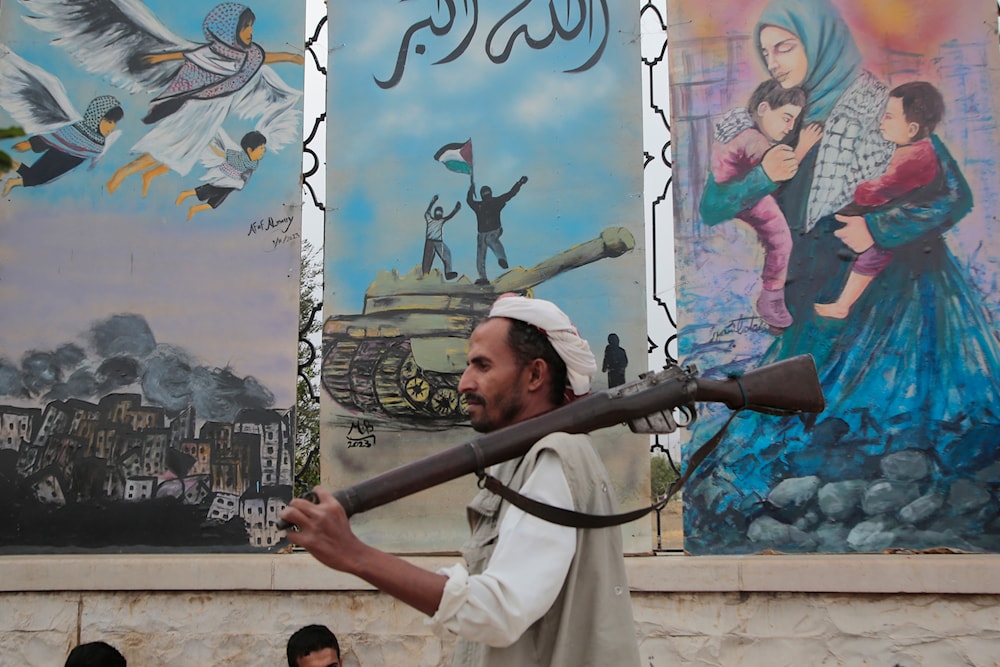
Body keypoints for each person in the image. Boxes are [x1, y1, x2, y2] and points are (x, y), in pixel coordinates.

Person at [687, 0, 1000, 552]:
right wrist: (762, 173)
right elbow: (714, 204)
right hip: (806, 293)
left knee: (884, 426)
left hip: (891, 299)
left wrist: (880, 227)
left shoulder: (883, 108)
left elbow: (953, 197)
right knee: (785, 414)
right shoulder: (777, 116)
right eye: (766, 51)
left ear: (822, 42)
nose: (775, 62)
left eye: (785, 47)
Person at [280, 294, 641, 666]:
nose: (463, 383)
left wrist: (354, 555)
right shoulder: (520, 460)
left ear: (534, 375)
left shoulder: (554, 458)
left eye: (482, 366)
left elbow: (499, 612)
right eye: (468, 365)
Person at [102, 3, 304, 196]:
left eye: (251, 26)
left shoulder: (249, 55)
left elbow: (264, 58)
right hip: (197, 109)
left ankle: (146, 176)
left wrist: (290, 57)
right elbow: (184, 54)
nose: (250, 31)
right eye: (245, 27)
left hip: (215, 112)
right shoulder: (212, 52)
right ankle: (123, 173)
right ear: (231, 29)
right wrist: (156, 58)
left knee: (187, 152)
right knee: (169, 145)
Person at [815, 81, 945, 319]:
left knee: (872, 256)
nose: (880, 122)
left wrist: (858, 189)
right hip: (889, 221)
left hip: (893, 231)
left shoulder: (914, 156)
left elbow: (877, 190)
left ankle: (843, 305)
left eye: (888, 117)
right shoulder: (911, 150)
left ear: (912, 128)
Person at [704, 78, 823, 328]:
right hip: (744, 194)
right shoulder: (753, 140)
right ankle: (771, 298)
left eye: (794, 120)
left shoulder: (738, 124)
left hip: (734, 188)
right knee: (781, 238)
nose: (790, 128)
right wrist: (802, 147)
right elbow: (781, 170)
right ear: (764, 109)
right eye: (786, 118)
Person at [3, 96, 124, 198]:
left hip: (64, 168)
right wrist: (30, 144)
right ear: (97, 117)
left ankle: (12, 179)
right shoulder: (76, 129)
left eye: (114, 123)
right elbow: (53, 137)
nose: (112, 127)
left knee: (37, 179)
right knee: (35, 177)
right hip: (56, 157)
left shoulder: (99, 143)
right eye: (109, 121)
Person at [176, 130, 267, 220]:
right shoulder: (238, 157)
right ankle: (185, 194)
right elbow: (222, 154)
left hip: (234, 183)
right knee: (209, 190)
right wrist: (209, 144)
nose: (264, 151)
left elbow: (247, 173)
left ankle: (194, 209)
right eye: (261, 148)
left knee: (216, 202)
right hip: (225, 177)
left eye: (264, 148)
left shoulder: (254, 162)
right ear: (250, 150)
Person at [466, 176, 528, 285]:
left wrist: (519, 183)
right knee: (481, 254)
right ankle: (483, 277)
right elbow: (510, 194)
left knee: (490, 240)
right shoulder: (482, 205)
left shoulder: (490, 203)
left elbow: (510, 194)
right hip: (482, 233)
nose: (487, 196)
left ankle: (502, 259)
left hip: (495, 230)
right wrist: (471, 188)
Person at [421, 194, 461, 279]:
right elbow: (427, 212)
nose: (439, 214)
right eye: (437, 213)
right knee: (427, 258)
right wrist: (432, 202)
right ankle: (425, 274)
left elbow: (450, 216)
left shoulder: (441, 221)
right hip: (430, 241)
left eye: (440, 213)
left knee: (447, 253)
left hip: (439, 242)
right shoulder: (430, 219)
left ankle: (448, 273)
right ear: (434, 213)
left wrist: (456, 209)